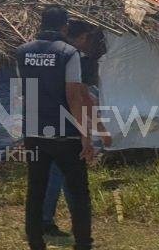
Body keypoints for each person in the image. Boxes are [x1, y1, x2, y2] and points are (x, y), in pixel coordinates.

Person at [16, 6, 96, 250]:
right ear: (64, 27)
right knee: (79, 194)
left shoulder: (22, 52)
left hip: (34, 132)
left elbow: (24, 94)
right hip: (64, 134)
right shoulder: (68, 53)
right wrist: (85, 135)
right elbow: (73, 96)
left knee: (35, 192)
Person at [41, 20, 110, 238]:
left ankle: (55, 220)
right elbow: (82, 98)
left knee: (57, 174)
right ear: (80, 38)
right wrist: (95, 132)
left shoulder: (44, 56)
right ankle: (50, 221)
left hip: (43, 123)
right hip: (67, 126)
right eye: (86, 38)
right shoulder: (73, 59)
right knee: (63, 175)